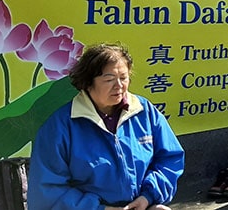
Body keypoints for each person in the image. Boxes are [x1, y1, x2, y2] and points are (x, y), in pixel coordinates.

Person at [28, 43, 185, 210]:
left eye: (124, 77)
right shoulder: (60, 127)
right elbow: (47, 191)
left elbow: (169, 159)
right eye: (109, 79)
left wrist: (148, 197)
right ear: (87, 82)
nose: (119, 86)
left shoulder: (144, 111)